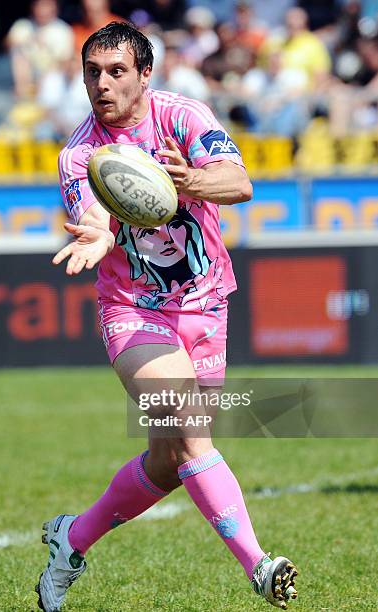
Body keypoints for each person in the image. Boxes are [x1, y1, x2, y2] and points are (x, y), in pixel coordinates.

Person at [35, 21, 299, 612]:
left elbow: (240, 181)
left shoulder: (183, 117)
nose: (102, 85)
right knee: (189, 429)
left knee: (168, 457)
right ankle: (260, 566)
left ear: (144, 74)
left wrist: (190, 181)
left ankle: (70, 539)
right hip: (131, 310)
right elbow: (95, 220)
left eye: (117, 71)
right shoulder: (80, 153)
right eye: (92, 73)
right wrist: (100, 238)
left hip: (204, 303)